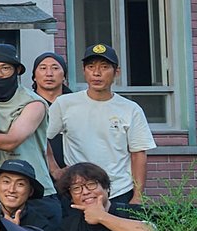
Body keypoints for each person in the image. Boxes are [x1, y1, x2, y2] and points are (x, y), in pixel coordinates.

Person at [44, 42, 156, 203]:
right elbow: (41, 137)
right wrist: (54, 169)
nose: (96, 73)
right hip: (78, 191)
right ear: (84, 71)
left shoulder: (131, 109)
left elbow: (138, 154)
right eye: (91, 67)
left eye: (104, 67)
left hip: (119, 190)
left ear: (117, 72)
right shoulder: (64, 104)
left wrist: (138, 196)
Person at [0, 44, 54, 193]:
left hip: (34, 188)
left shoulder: (33, 103)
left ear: (17, 70)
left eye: (5, 68)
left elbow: (11, 142)